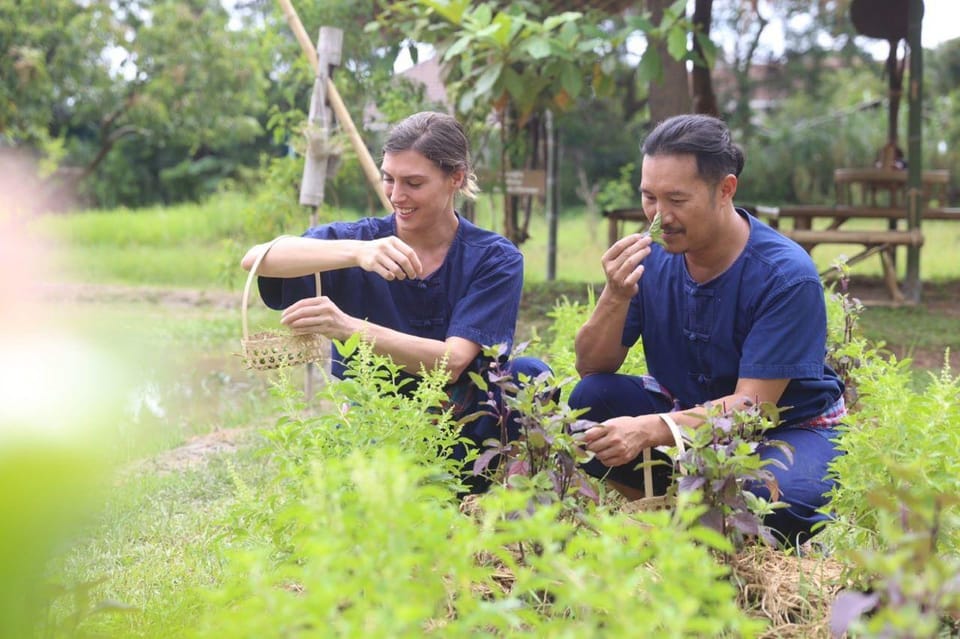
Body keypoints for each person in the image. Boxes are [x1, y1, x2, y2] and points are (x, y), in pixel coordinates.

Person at [571, 114, 846, 546]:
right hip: (691, 413)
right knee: (590, 401)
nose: (660, 218)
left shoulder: (785, 276)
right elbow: (592, 365)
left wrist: (651, 428)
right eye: (649, 198)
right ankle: (673, 509)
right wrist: (615, 295)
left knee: (765, 502)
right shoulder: (654, 256)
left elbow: (753, 409)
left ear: (726, 189)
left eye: (677, 199)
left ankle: (708, 511)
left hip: (788, 429)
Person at [241, 111, 550, 493]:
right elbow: (257, 259)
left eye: (413, 183)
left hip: (463, 431)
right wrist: (356, 253)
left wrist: (347, 327)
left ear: (455, 178)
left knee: (530, 375)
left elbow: (452, 363)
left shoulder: (494, 258)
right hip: (376, 426)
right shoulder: (361, 241)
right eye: (389, 178)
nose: (396, 195)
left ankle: (499, 502)